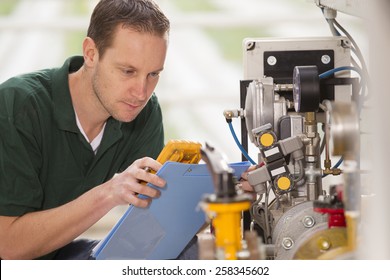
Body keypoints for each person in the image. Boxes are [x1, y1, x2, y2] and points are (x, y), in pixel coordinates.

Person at [0, 0, 197, 260]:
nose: (141, 93)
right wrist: (110, 192)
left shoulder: (143, 111)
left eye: (153, 74)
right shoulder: (17, 106)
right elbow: (8, 246)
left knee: (188, 251)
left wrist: (214, 196)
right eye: (128, 71)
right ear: (91, 53)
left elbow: (160, 222)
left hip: (56, 255)